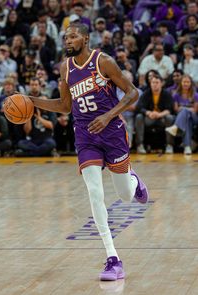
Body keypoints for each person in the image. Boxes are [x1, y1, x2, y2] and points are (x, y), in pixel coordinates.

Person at [17, 23, 149, 281]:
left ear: (86, 39)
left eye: (73, 36)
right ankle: (113, 258)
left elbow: (132, 93)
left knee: (124, 195)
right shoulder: (65, 68)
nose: (68, 40)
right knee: (95, 191)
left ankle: (133, 181)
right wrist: (32, 102)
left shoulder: (104, 61)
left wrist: (109, 115)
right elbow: (66, 106)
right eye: (66, 36)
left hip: (111, 132)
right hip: (85, 135)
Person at [135, 75, 174, 154]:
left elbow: (170, 109)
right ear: (150, 83)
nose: (155, 84)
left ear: (161, 84)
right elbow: (139, 107)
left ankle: (170, 145)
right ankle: (140, 145)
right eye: (153, 82)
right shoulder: (147, 93)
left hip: (162, 118)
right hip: (150, 118)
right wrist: (148, 113)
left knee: (169, 118)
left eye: (157, 82)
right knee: (139, 117)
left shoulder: (166, 94)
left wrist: (159, 114)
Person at [166, 75, 198, 155]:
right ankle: (187, 146)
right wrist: (187, 109)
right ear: (181, 83)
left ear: (191, 83)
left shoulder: (195, 95)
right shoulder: (176, 95)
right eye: (184, 82)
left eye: (188, 82)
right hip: (183, 118)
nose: (186, 84)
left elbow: (195, 110)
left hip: (194, 117)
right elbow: (176, 109)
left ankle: (176, 127)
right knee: (187, 121)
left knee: (185, 112)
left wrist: (183, 108)